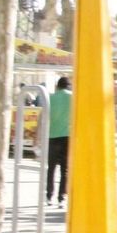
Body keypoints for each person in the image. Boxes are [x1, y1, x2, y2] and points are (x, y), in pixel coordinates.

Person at [45, 77, 73, 207]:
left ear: (57, 86)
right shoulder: (73, 98)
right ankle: (61, 198)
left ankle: (49, 196)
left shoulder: (50, 97)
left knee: (51, 168)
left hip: (52, 136)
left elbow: (43, 116)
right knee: (65, 170)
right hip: (67, 137)